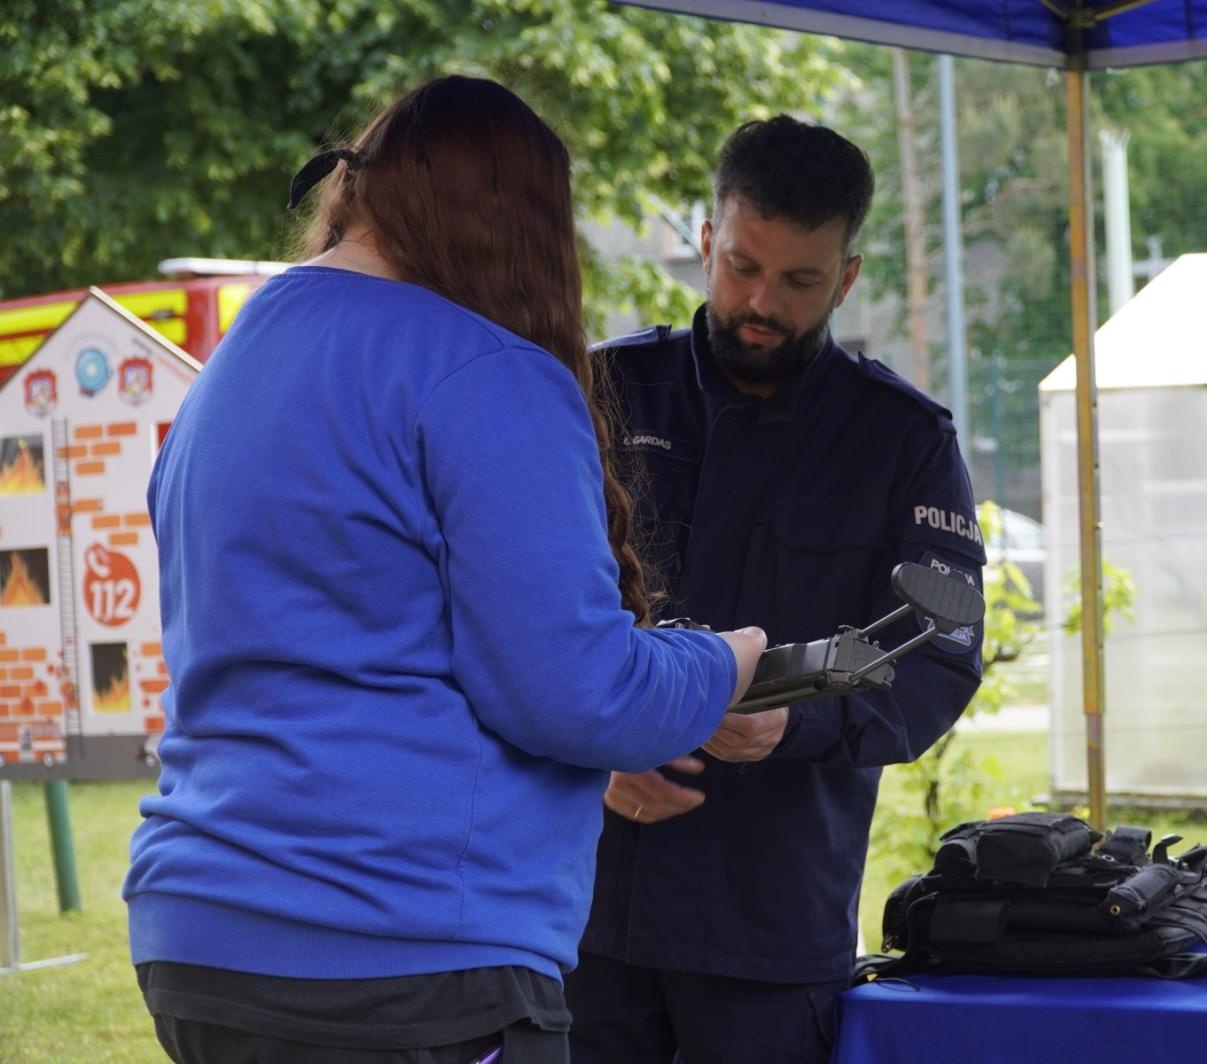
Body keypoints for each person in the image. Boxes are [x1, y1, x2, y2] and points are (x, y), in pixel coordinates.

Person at [122, 76, 766, 1064]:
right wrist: (725, 660)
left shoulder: (233, 362)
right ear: (517, 222)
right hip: (402, 951)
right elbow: (576, 693)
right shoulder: (484, 370)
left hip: (199, 934)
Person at [565, 116, 985, 1063]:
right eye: (742, 267)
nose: (763, 302)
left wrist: (796, 725)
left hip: (766, 928)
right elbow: (509, 618)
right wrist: (591, 751)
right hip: (579, 910)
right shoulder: (602, 393)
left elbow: (940, 665)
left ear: (847, 277)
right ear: (707, 242)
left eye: (799, 282)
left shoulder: (902, 442)